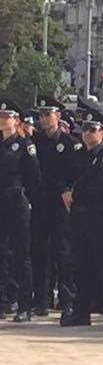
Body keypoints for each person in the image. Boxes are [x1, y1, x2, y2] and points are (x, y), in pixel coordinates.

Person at [62, 107, 103, 330]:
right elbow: (67, 177)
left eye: (92, 129)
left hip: (101, 218)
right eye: (84, 129)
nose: (87, 133)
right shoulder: (79, 155)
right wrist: (66, 189)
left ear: (101, 132)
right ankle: (81, 311)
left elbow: (101, 184)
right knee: (80, 265)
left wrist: (74, 194)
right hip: (79, 217)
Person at [31, 96, 80, 320]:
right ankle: (42, 299)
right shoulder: (36, 141)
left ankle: (67, 299)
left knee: (63, 251)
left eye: (48, 114)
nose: (43, 119)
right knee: (40, 251)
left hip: (61, 201)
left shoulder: (69, 142)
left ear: (57, 116)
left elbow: (76, 173)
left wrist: (70, 190)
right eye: (41, 115)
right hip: (41, 200)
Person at [0, 98, 40, 322]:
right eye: (1, 116)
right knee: (2, 253)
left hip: (17, 201)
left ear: (16, 121)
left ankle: (26, 303)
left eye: (7, 117)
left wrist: (26, 196)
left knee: (21, 253)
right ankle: (5, 298)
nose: (3, 120)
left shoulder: (25, 145)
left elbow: (35, 176)